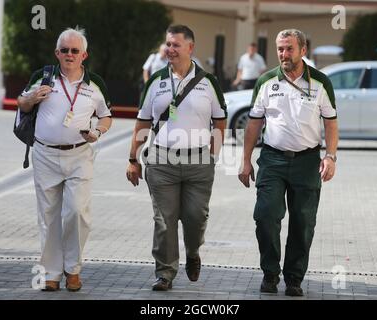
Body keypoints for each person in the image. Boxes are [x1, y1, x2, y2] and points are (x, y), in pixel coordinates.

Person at [126, 25, 227, 291]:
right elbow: (141, 124)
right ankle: (165, 272)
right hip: (161, 161)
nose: (170, 50)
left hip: (198, 162)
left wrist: (213, 156)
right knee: (164, 219)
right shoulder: (156, 81)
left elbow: (220, 121)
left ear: (190, 47)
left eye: (176, 45)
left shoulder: (208, 82)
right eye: (168, 44)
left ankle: (193, 252)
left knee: (196, 217)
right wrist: (133, 160)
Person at [238, 29, 338, 297]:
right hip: (272, 159)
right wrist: (245, 161)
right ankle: (270, 273)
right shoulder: (266, 81)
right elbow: (254, 123)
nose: (283, 54)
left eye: (289, 49)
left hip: (307, 162)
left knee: (303, 222)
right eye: (280, 48)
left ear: (302, 50)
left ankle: (294, 278)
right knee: (266, 215)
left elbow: (331, 122)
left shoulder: (320, 82)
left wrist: (330, 156)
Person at [17, 27, 112, 292]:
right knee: (48, 215)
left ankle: (73, 269)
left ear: (84, 55)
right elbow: (21, 104)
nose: (70, 55)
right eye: (65, 50)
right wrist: (33, 97)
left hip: (80, 154)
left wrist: (98, 131)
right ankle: (51, 273)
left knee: (76, 212)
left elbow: (106, 116)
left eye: (75, 51)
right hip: (45, 154)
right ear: (57, 53)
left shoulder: (95, 85)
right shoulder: (43, 77)